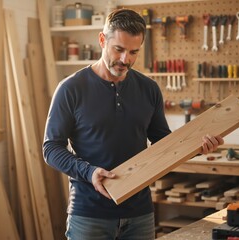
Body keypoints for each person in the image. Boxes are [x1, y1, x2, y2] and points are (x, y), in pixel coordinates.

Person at [43, 8, 224, 240]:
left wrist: (197, 146)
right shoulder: (71, 89)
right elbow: (51, 148)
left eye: (133, 52)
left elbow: (164, 144)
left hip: (140, 214)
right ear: (102, 40)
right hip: (89, 215)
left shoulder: (149, 89)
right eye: (118, 49)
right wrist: (89, 172)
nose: (125, 60)